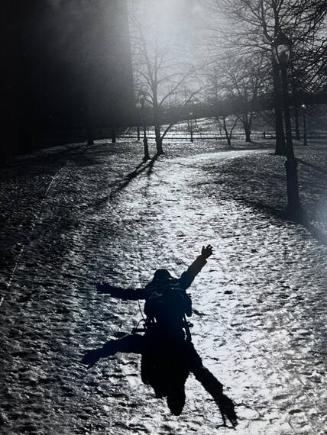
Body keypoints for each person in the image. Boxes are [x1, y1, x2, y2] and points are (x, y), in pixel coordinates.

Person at [85, 245, 237, 426]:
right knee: (197, 368)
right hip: (178, 339)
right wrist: (202, 257)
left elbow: (126, 294)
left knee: (127, 343)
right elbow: (191, 273)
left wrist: (107, 289)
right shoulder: (178, 284)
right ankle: (212, 395)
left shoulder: (150, 291)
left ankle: (99, 353)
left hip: (155, 339)